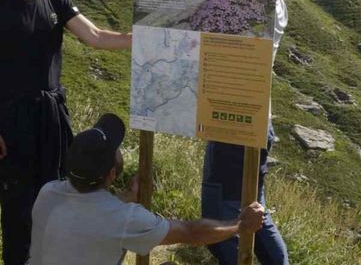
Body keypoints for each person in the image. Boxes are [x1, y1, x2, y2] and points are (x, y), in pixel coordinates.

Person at [0, 0, 132, 265]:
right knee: (18, 215)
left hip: (53, 119)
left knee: (60, 205)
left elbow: (95, 36)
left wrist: (143, 39)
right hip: (11, 121)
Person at [30, 113, 265, 265]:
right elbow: (191, 233)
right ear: (111, 174)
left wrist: (131, 196)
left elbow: (93, 213)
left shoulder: (48, 193)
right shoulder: (124, 219)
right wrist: (241, 226)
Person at [201, 0, 297, 265]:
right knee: (251, 208)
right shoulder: (270, 4)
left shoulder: (267, 5)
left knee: (220, 215)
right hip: (248, 117)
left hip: (235, 119)